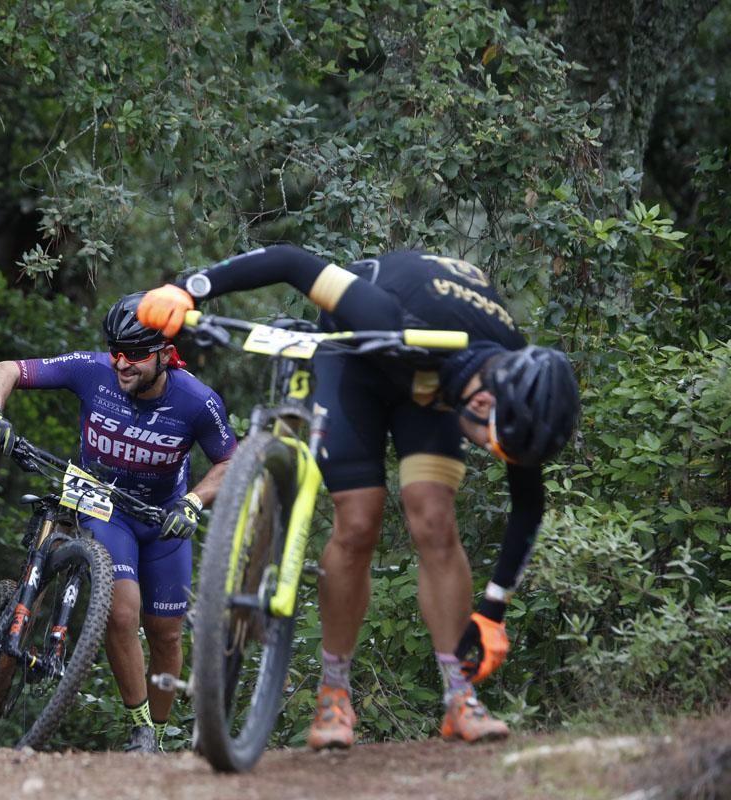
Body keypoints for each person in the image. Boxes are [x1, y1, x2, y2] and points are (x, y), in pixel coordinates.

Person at [136, 246, 580, 747]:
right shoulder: (383, 311)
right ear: (482, 402)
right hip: (361, 355)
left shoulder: (523, 382)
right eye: (493, 445)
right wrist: (189, 287)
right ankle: (334, 696)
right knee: (357, 521)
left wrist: (493, 612)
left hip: (437, 379)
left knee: (434, 520)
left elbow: (529, 502)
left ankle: (460, 698)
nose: (495, 455)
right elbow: (290, 261)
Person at [0, 293, 237, 752]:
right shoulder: (92, 370)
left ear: (164, 354)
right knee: (120, 612)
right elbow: (8, 368)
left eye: (134, 354)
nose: (121, 363)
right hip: (104, 505)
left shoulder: (197, 401)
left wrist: (193, 501)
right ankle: (139, 728)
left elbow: (230, 462)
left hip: (162, 518)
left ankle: (155, 736)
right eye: (115, 349)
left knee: (167, 634)